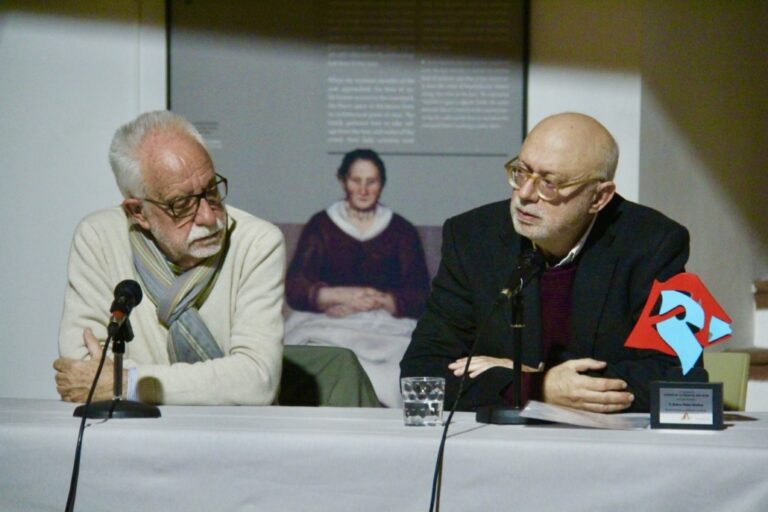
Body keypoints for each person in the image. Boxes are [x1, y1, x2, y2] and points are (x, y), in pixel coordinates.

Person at [400, 112, 705, 413]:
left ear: (599, 197)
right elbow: (422, 373)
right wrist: (537, 387)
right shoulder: (473, 238)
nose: (525, 194)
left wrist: (531, 375)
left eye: (549, 182)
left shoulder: (653, 243)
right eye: (521, 172)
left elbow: (685, 380)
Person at [53, 111, 285, 405]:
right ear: (138, 213)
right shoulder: (99, 237)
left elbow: (255, 382)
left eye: (211, 190)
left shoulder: (257, 243)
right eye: (182, 204)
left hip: (236, 433)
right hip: (133, 435)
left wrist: (129, 385)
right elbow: (84, 369)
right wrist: (215, 383)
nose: (209, 216)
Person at [283, 149, 430, 407]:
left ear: (381, 185)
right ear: (343, 181)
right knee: (317, 359)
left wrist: (380, 300)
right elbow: (296, 288)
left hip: (386, 330)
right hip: (327, 324)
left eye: (371, 182)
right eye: (355, 181)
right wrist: (340, 296)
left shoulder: (401, 230)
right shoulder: (321, 225)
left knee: (402, 367)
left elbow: (421, 294)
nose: (363, 190)